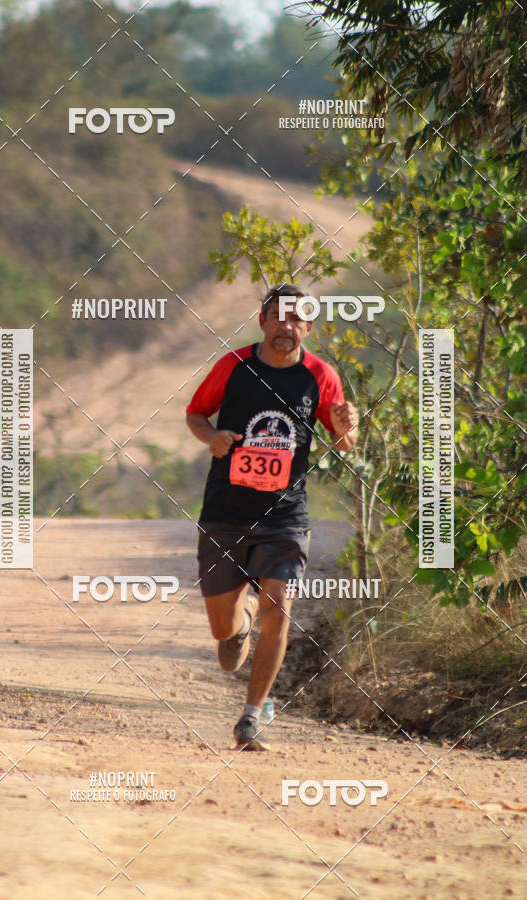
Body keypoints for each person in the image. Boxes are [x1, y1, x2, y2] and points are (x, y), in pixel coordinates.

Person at [185, 284, 359, 750]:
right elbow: (196, 413)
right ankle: (236, 627)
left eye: (297, 319)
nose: (287, 326)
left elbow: (343, 439)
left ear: (309, 326)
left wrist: (346, 430)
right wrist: (213, 437)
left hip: (285, 514)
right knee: (224, 634)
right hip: (226, 512)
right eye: (278, 317)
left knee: (279, 610)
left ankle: (250, 717)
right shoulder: (234, 366)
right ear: (262, 321)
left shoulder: (321, 375)